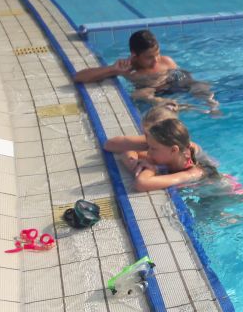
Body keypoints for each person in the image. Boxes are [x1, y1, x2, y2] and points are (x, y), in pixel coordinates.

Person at [74, 30, 218, 111]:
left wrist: (200, 91)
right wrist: (112, 69)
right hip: (153, 94)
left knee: (201, 84)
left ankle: (212, 107)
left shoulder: (166, 61)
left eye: (157, 54)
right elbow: (79, 77)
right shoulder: (128, 69)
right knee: (139, 94)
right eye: (149, 57)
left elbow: (184, 78)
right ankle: (181, 106)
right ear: (134, 54)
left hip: (173, 85)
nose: (156, 60)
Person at [129, 117, 219, 192]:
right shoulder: (171, 158)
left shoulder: (193, 173)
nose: (149, 152)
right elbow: (128, 151)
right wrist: (135, 163)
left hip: (218, 197)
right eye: (148, 147)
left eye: (153, 148)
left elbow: (141, 183)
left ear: (173, 150)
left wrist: (151, 168)